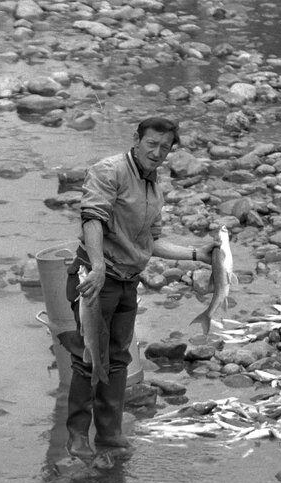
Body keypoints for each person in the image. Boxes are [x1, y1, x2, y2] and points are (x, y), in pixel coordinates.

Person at [64, 116, 215, 460]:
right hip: (94, 279)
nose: (158, 152)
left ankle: (109, 435)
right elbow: (92, 218)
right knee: (88, 358)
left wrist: (198, 255)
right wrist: (99, 267)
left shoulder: (154, 186)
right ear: (136, 139)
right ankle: (76, 437)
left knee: (117, 360)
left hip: (127, 283)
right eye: (152, 144)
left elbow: (151, 242)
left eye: (165, 147)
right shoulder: (110, 171)